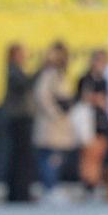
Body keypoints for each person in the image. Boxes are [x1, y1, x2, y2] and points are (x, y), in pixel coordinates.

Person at [33, 41, 79, 201]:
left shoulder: (60, 74)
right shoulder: (50, 73)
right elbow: (41, 95)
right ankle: (50, 189)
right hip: (51, 124)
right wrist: (55, 113)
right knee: (50, 157)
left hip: (59, 123)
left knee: (56, 156)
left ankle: (53, 186)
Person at [2, 43, 37, 203]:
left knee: (21, 157)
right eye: (20, 54)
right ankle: (19, 193)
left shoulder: (17, 70)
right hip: (19, 120)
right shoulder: (13, 71)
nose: (23, 57)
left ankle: (19, 192)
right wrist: (42, 68)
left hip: (22, 119)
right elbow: (26, 84)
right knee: (21, 157)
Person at [74, 48, 108, 197]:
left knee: (99, 153)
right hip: (87, 122)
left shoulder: (105, 81)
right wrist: (95, 99)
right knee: (88, 154)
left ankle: (95, 182)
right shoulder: (85, 79)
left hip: (101, 121)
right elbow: (81, 98)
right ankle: (88, 183)